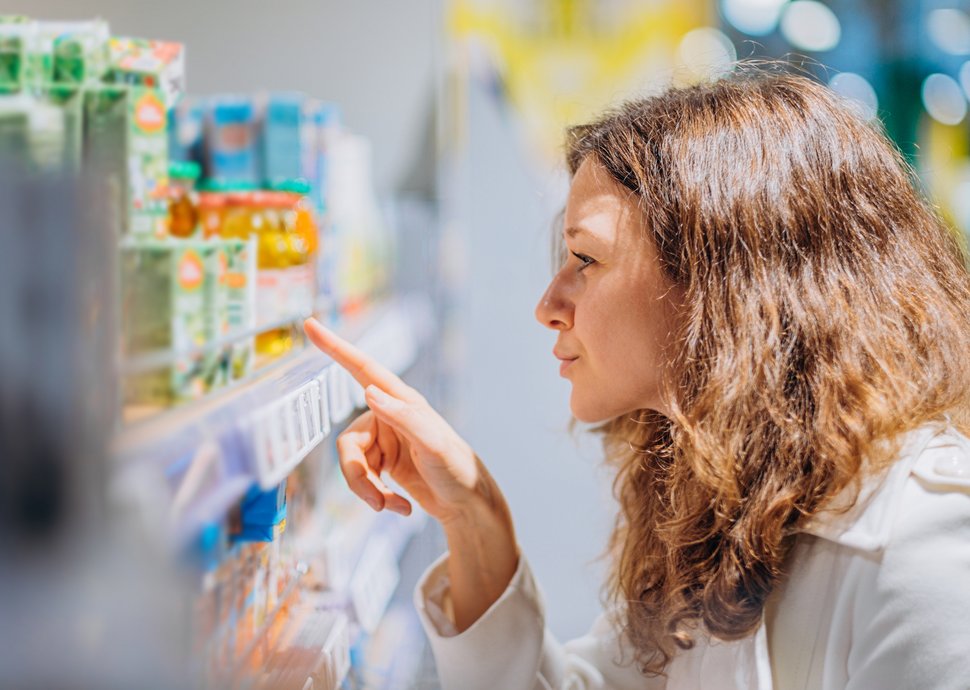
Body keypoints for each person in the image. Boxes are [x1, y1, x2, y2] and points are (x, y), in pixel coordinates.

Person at [304, 68, 970, 690]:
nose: (547, 305)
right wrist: (474, 516)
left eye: (585, 259)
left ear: (724, 286)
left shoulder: (925, 545)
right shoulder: (729, 503)